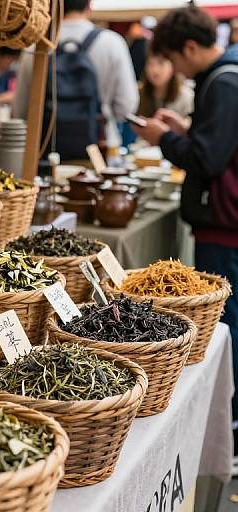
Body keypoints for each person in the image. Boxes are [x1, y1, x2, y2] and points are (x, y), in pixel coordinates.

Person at [132, 6, 238, 442]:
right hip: (225, 220)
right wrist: (188, 127)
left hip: (224, 224)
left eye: (174, 59)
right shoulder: (228, 73)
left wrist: (165, 140)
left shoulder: (223, 80)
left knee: (229, 322)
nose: (175, 69)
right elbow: (219, 139)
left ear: (189, 48)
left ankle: (226, 423)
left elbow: (208, 158)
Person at [14, 0, 139, 158]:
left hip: (44, 152)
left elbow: (20, 110)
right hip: (100, 153)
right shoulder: (113, 43)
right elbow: (126, 108)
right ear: (89, 5)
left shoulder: (35, 45)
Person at [137, 50, 194, 119]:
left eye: (161, 63)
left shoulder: (186, 95)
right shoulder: (138, 92)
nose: (155, 70)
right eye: (150, 64)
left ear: (173, 65)